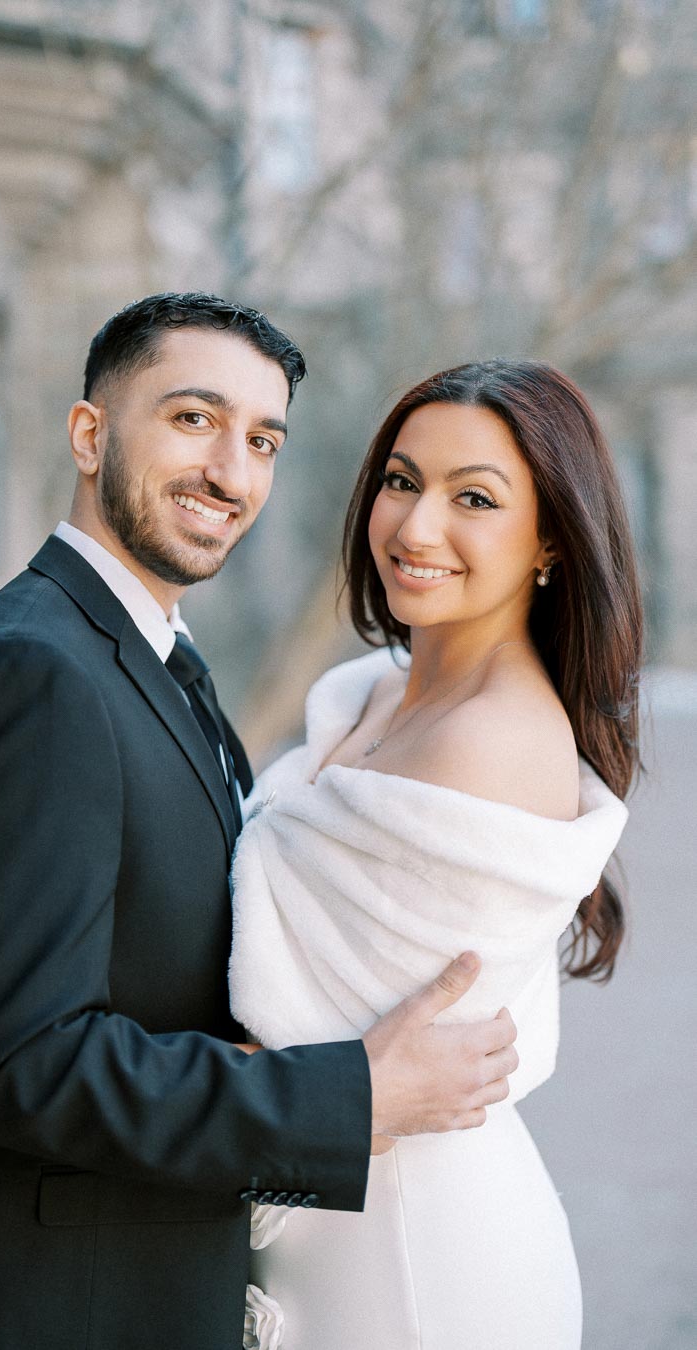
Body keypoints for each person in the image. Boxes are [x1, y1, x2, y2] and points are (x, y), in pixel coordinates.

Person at [0, 296, 520, 1350]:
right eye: (193, 419)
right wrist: (347, 1096)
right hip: (55, 1307)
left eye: (262, 439)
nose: (233, 471)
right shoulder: (31, 672)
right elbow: (23, 1069)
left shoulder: (154, 658)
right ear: (90, 436)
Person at [230, 359, 642, 1349]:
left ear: (550, 538)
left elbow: (304, 1030)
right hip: (332, 1209)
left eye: (475, 499)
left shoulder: (488, 739)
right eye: (402, 481)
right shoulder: (378, 694)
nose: (415, 529)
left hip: (419, 1255)